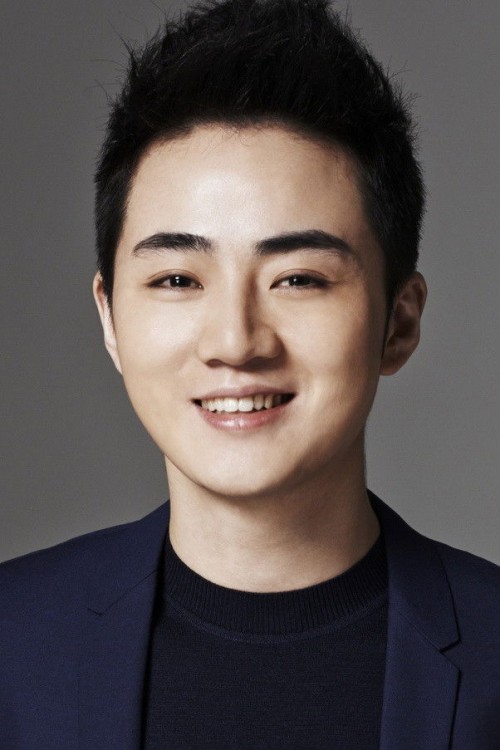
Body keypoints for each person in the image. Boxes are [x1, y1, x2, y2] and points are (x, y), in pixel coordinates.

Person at [0, 0, 498, 747]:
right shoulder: (12, 643)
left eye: (298, 279)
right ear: (110, 318)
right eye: (177, 279)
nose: (235, 342)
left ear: (399, 322)